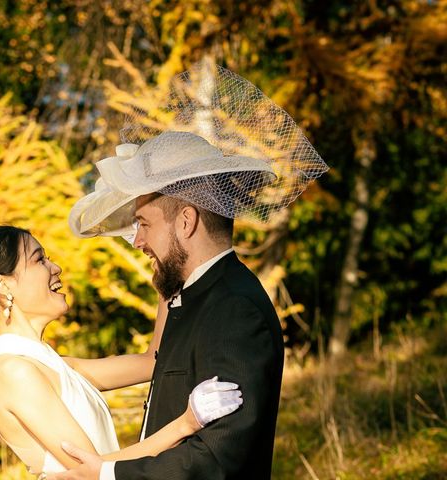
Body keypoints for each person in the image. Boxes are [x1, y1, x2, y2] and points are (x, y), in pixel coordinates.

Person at [55, 124, 328, 479]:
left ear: (186, 221)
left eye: (143, 223)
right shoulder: (192, 300)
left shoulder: (234, 309)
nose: (137, 241)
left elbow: (219, 458)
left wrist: (108, 474)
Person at [0, 225, 243, 478]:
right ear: (3, 284)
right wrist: (186, 423)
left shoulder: (52, 364)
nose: (55, 267)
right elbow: (92, 471)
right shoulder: (14, 372)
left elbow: (151, 362)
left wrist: (163, 266)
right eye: (39, 259)